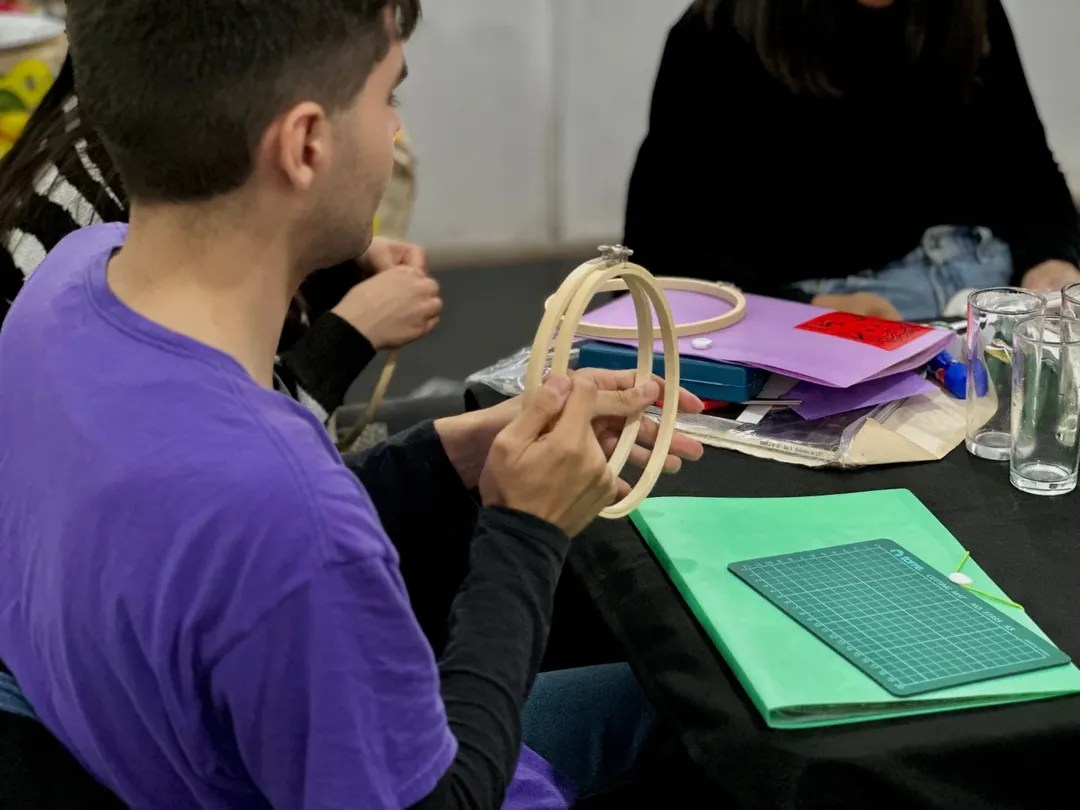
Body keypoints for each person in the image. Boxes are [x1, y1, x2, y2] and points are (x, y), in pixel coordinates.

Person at [0, 2, 705, 808]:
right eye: (387, 97)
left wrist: (449, 455)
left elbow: (215, 538)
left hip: (155, 745)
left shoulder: (64, 285)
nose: (395, 132)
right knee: (704, 712)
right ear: (306, 144)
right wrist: (527, 533)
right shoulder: (288, 515)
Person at [0, 55, 441, 425]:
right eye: (384, 98)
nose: (394, 126)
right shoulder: (144, 205)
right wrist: (352, 332)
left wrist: (338, 266)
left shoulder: (130, 135)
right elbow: (227, 443)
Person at [624, 0, 1080, 322]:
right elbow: (662, 253)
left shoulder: (970, 14)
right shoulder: (714, 34)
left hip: (979, 282)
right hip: (800, 309)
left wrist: (1053, 259)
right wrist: (802, 306)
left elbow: (1032, 178)